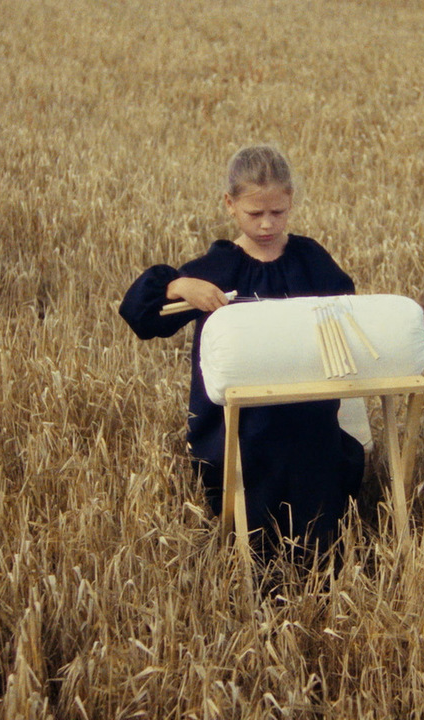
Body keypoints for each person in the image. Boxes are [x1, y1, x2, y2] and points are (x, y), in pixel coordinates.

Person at [119, 145, 364, 558]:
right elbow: (141, 316)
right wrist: (178, 286)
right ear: (230, 205)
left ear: (291, 203)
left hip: (306, 408)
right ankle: (255, 553)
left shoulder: (311, 259)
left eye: (278, 212)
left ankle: (322, 559)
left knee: (321, 448)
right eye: (255, 214)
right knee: (262, 441)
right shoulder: (217, 268)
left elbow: (348, 314)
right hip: (236, 419)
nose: (267, 224)